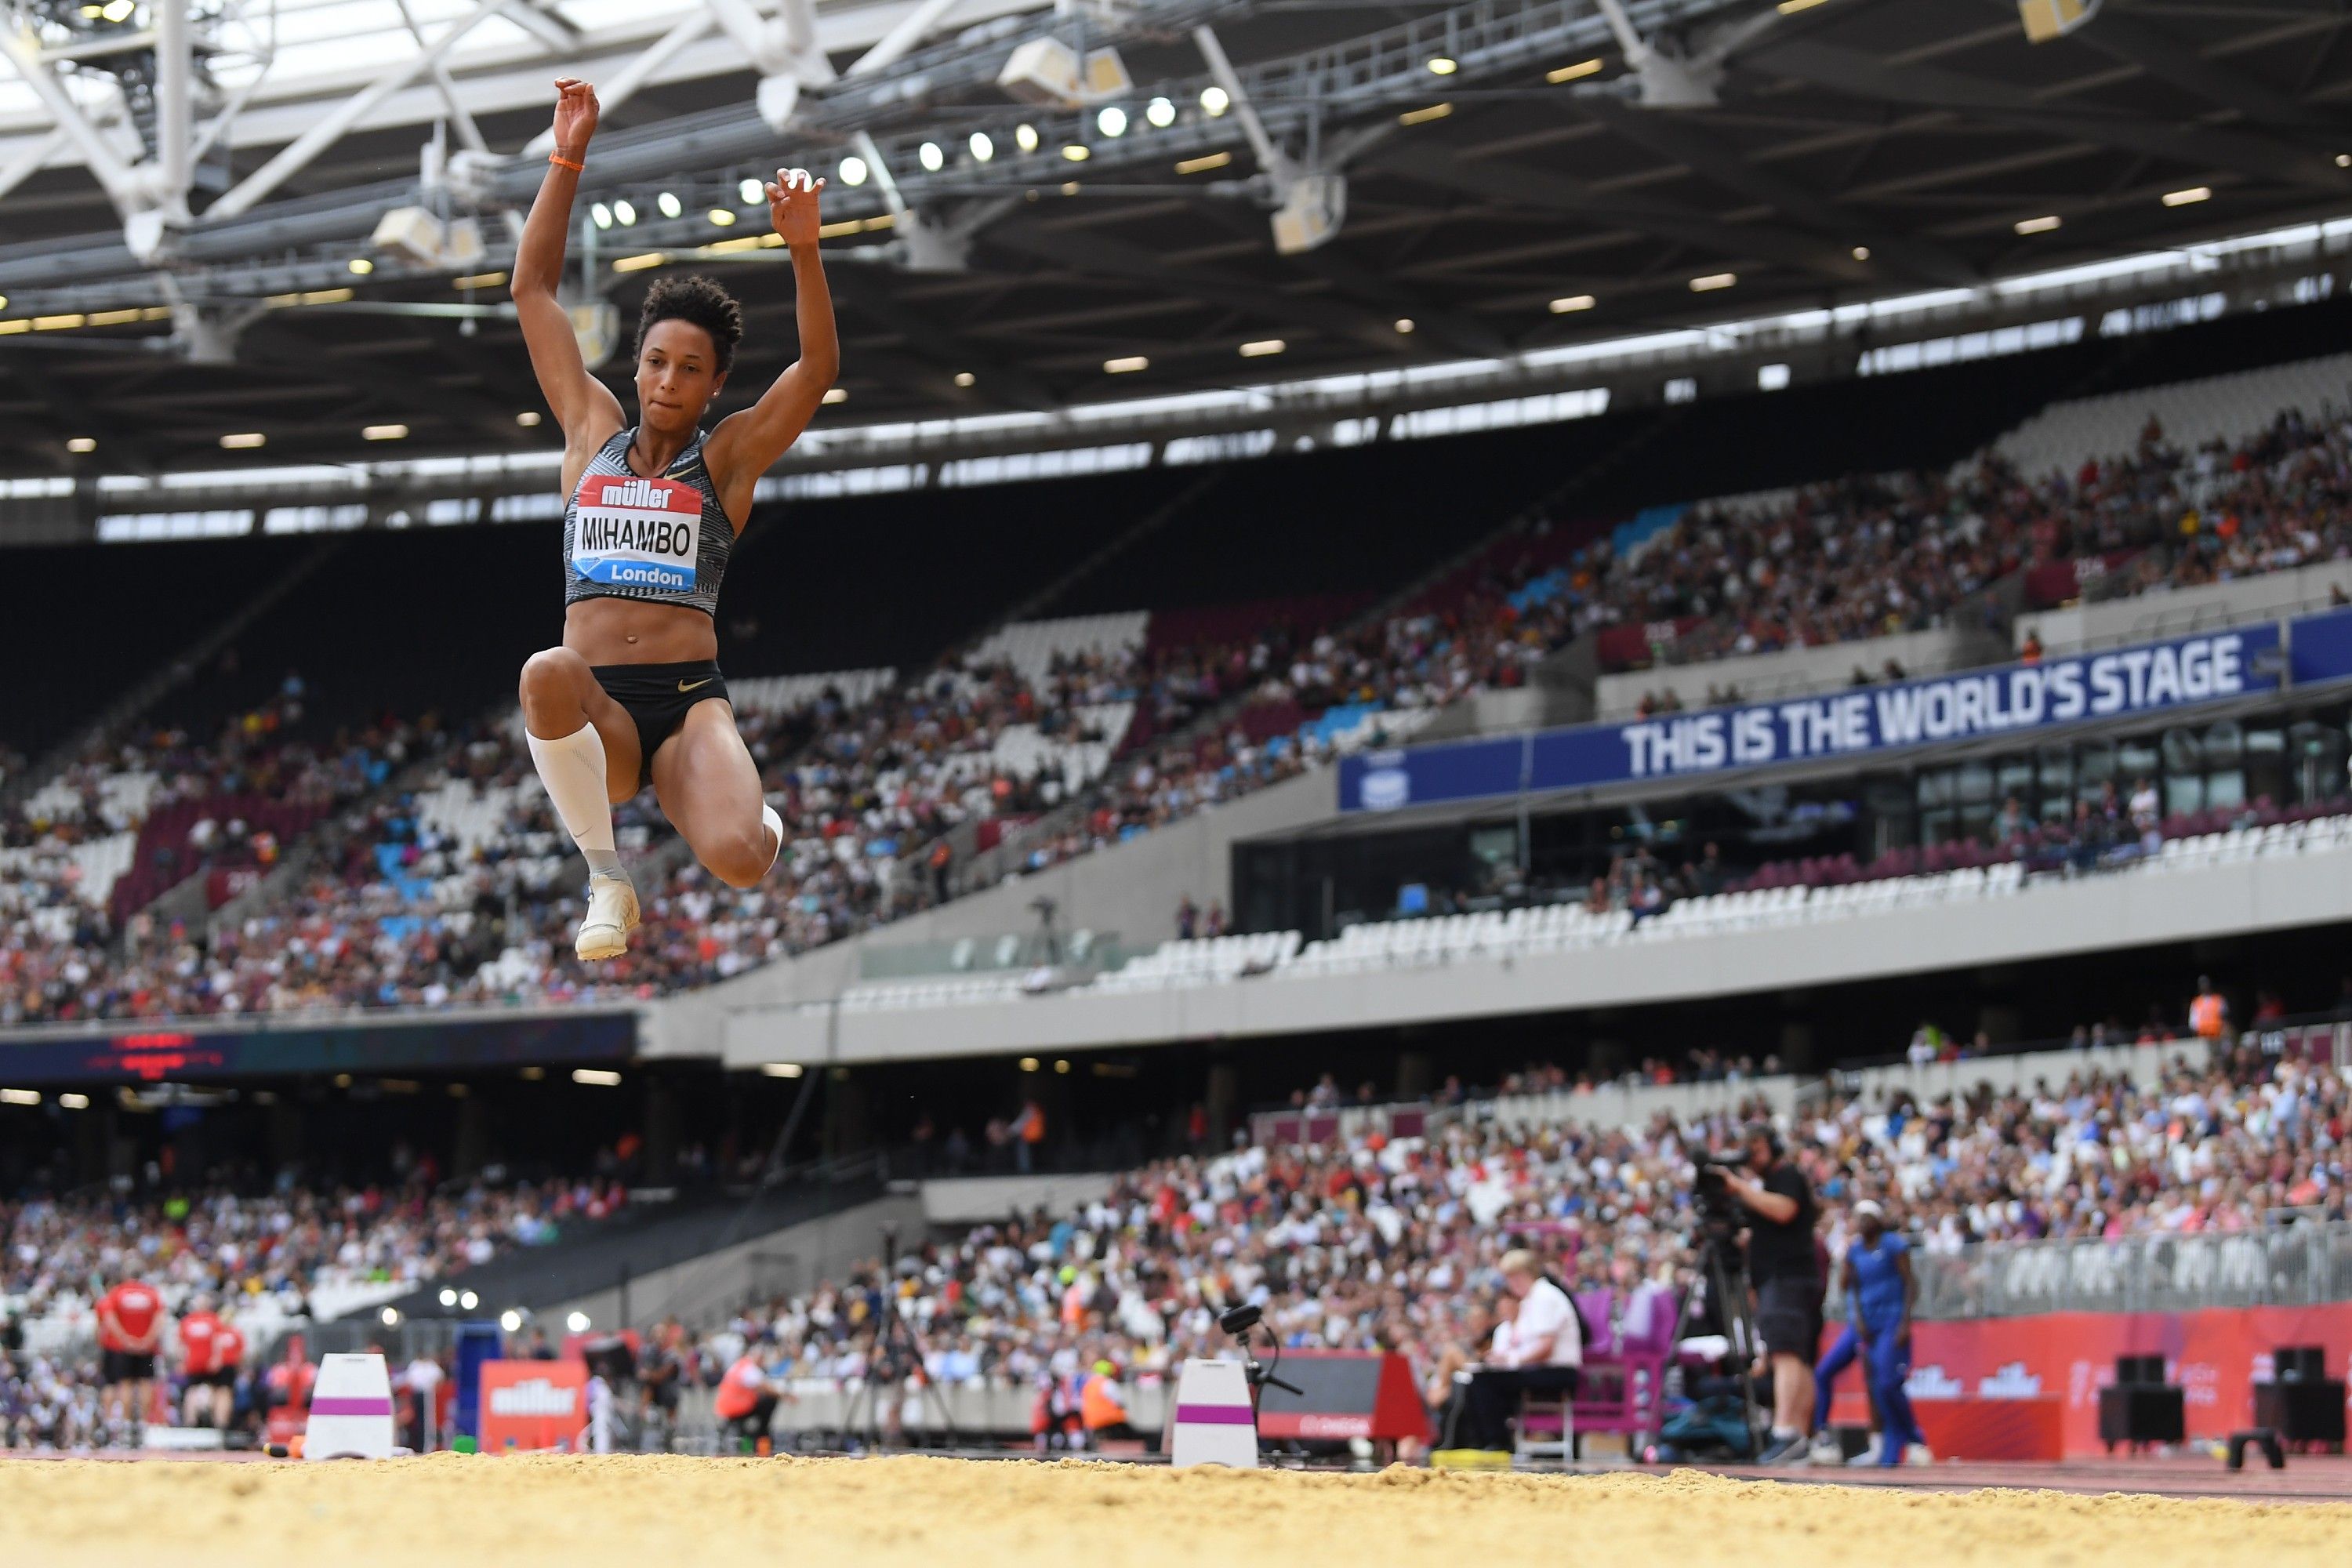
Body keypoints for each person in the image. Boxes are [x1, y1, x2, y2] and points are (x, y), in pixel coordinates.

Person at [514, 76, 838, 962]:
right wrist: (567, 157)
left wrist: (804, 252)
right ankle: (606, 875)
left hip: (691, 703)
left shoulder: (725, 459)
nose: (665, 381)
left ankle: (759, 821)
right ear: (638, 364)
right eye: (655, 361)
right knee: (546, 670)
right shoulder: (591, 435)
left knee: (738, 861)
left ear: (714, 383)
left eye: (688, 369)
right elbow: (533, 289)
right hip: (602, 712)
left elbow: (815, 368)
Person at [1719, 1121, 1819, 1463]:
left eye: (1757, 1148)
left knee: (1786, 1353)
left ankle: (1785, 1431)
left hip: (1787, 1278)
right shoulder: (1765, 1185)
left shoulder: (1787, 1176)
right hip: (1782, 1279)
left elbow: (1784, 1210)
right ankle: (1800, 1437)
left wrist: (1739, 1187)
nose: (1752, 1156)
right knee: (1796, 1357)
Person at [1448, 1250, 1582, 1452]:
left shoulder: (1544, 1297)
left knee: (1485, 1382)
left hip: (1558, 1371)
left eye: (1512, 1278)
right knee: (1481, 1379)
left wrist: (1512, 1360)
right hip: (1542, 1368)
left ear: (1522, 1275)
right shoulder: (1533, 1299)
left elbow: (1545, 1348)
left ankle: (1498, 1443)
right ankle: (1484, 1442)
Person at [1840, 1200, 1928, 1467]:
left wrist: (1905, 1322)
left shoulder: (1892, 1244)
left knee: (1890, 1382)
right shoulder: (1854, 1251)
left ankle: (1914, 1439)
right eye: (1858, 1218)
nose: (1863, 1222)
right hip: (1869, 1324)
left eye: (1868, 1216)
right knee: (1876, 1385)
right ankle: (1893, 1447)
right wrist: (1859, 1320)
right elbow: (1849, 1287)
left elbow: (1911, 1283)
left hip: (1891, 1320)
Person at [95, 1272, 165, 1442]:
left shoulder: (118, 1293)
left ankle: (124, 1425)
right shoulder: (150, 1293)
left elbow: (108, 1319)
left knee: (123, 1384)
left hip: (119, 1348)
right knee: (145, 1383)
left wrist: (125, 1340)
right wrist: (147, 1340)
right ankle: (143, 1424)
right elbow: (160, 1318)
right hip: (146, 1348)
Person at [176, 1294, 243, 1432]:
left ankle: (191, 1424)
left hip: (194, 1362)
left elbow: (181, 1345)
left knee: (193, 1391)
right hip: (211, 1362)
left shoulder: (188, 1322)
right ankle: (220, 1425)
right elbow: (219, 1341)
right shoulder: (214, 1321)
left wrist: (182, 1361)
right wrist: (217, 1358)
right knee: (222, 1392)